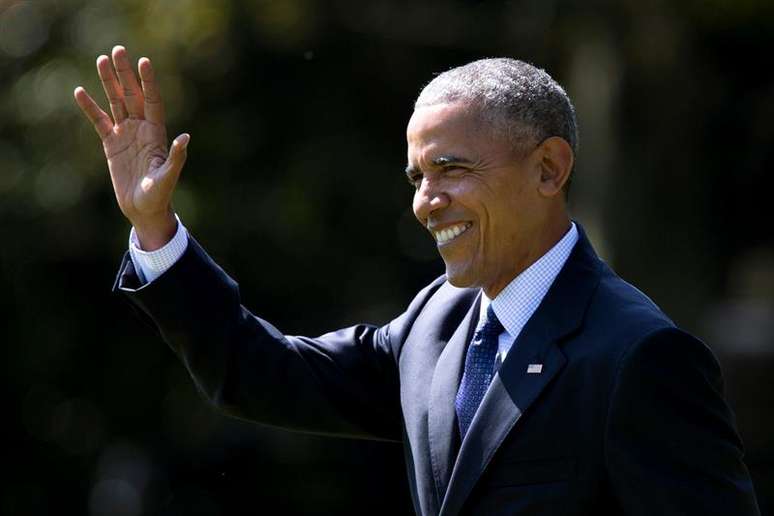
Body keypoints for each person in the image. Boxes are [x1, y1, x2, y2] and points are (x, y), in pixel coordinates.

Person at [75, 46, 761, 515]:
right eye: (417, 177)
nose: (425, 201)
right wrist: (157, 229)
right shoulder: (436, 321)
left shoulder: (641, 358)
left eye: (453, 169)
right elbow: (259, 374)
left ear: (549, 169)